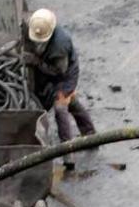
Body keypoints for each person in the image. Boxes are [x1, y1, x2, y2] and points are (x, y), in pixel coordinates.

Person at [21, 8, 96, 142]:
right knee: (69, 101)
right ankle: (90, 132)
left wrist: (36, 62)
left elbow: (59, 71)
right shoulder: (33, 27)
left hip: (65, 75)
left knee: (60, 107)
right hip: (44, 68)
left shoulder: (61, 44)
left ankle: (66, 147)